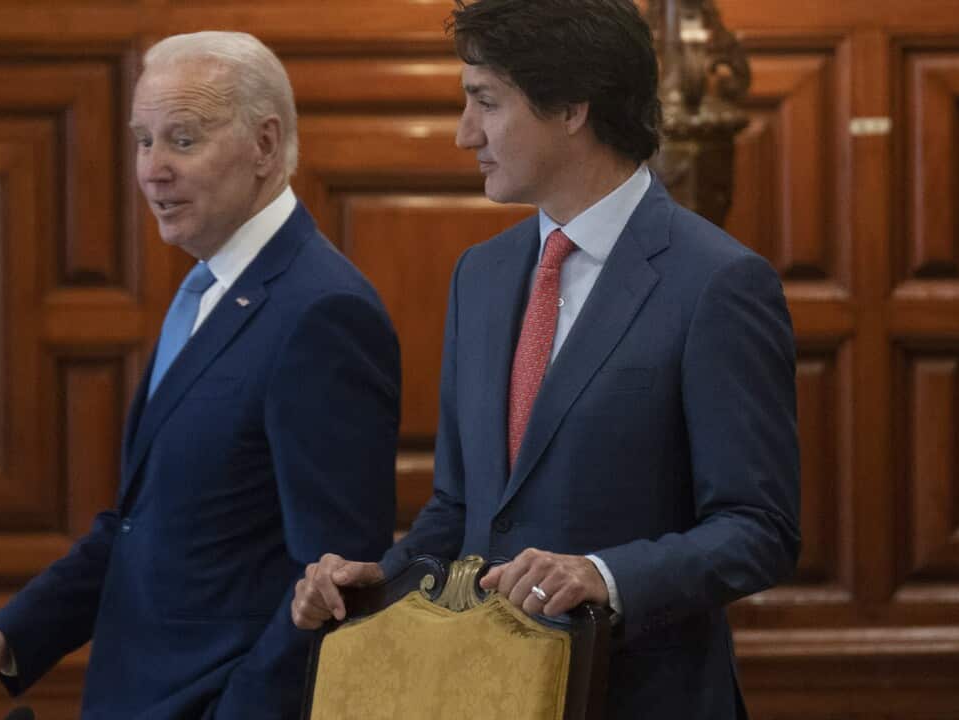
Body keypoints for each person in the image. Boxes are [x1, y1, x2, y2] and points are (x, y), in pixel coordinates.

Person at [291, 1, 800, 718]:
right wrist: (374, 580)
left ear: (571, 107)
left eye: (485, 102)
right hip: (480, 693)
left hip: (646, 699)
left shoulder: (718, 283)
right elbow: (462, 510)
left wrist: (603, 574)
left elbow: (760, 531)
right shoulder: (481, 274)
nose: (465, 133)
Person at [0, 31, 400, 719]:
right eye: (142, 141)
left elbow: (337, 581)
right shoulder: (203, 295)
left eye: (182, 139)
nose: (153, 169)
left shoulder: (322, 312)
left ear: (265, 145)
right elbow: (138, 527)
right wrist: (8, 636)